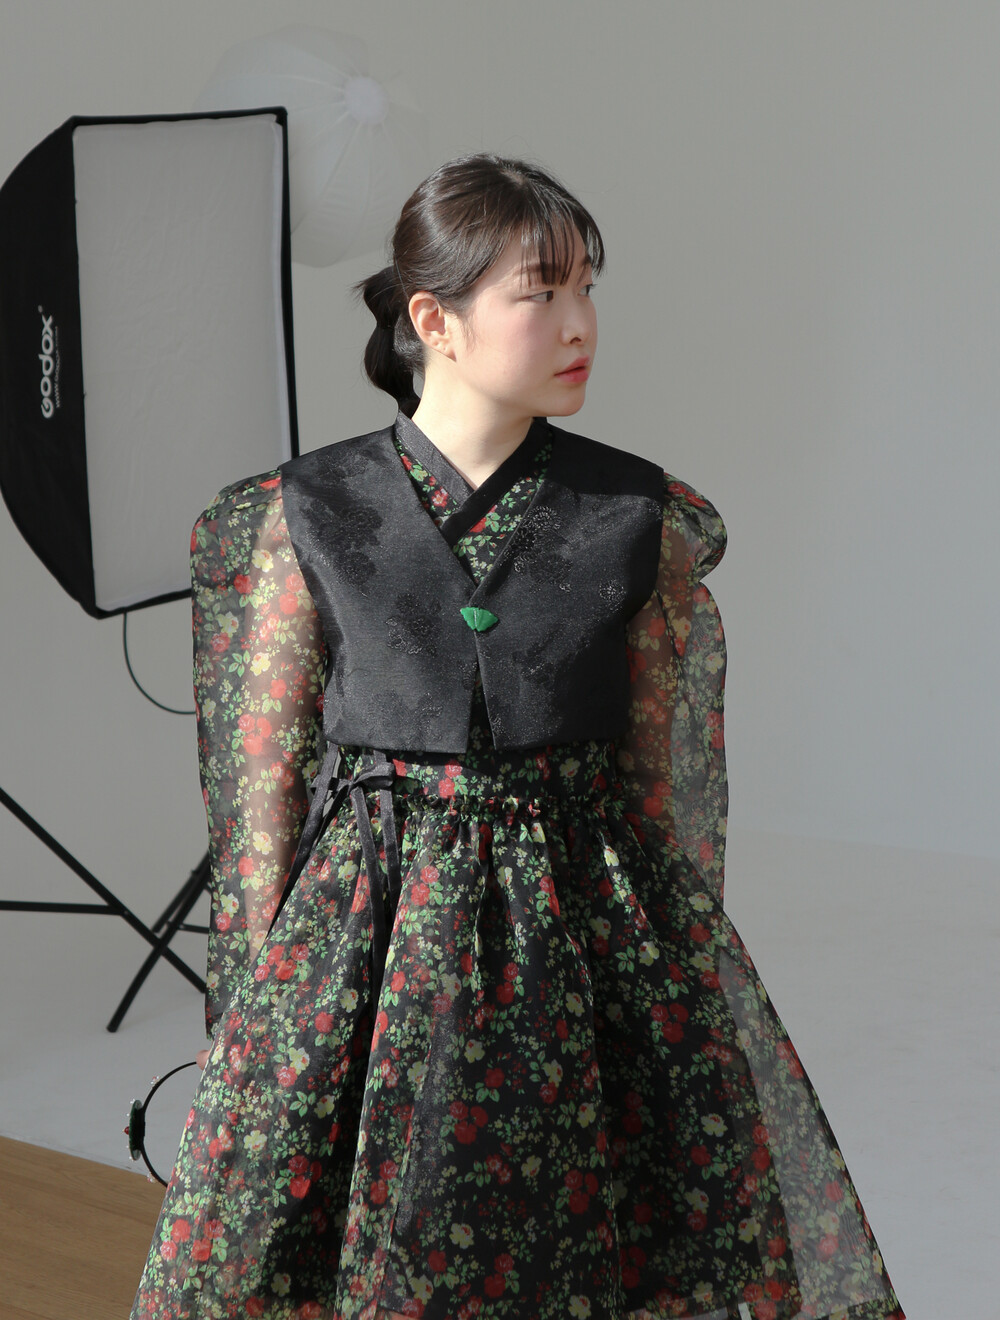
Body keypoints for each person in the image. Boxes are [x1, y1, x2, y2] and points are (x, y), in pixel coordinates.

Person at [130, 153, 904, 1320]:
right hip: (368, 932)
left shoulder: (637, 516)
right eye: (540, 293)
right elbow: (259, 794)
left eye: (587, 287)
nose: (580, 324)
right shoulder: (305, 515)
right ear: (433, 320)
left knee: (572, 1231)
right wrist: (245, 1015)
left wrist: (682, 980)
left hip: (581, 925)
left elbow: (672, 785)